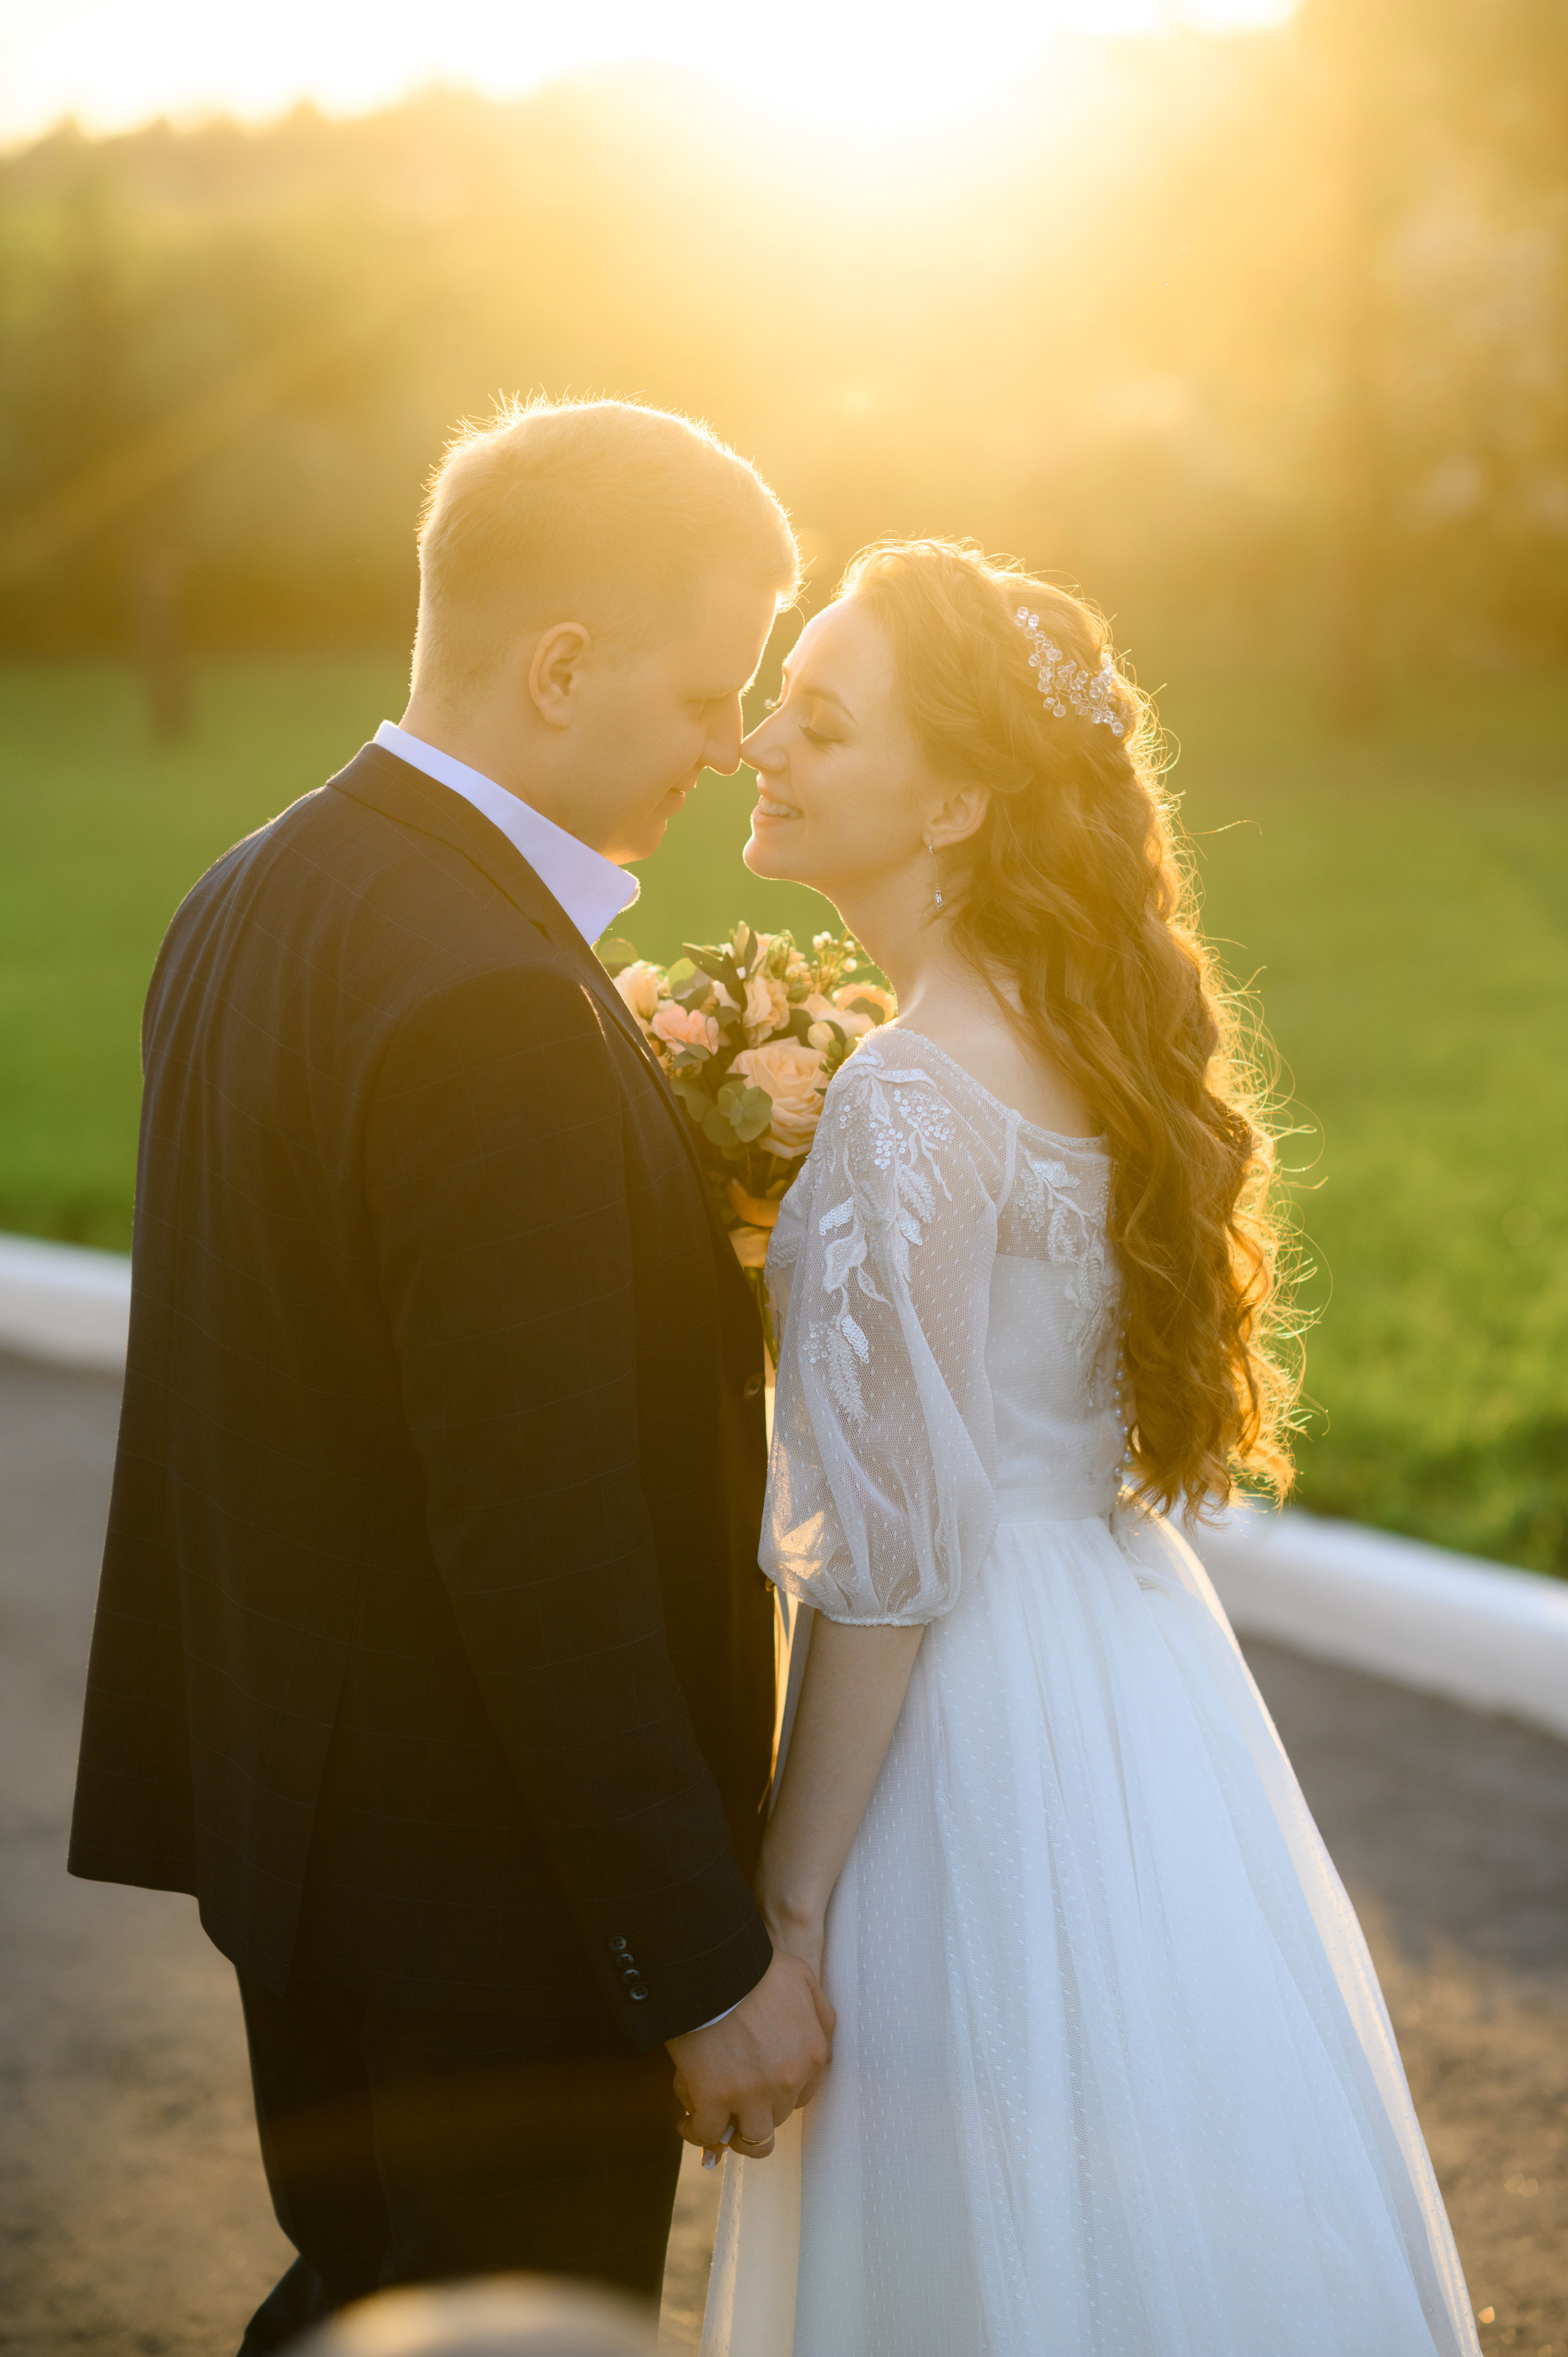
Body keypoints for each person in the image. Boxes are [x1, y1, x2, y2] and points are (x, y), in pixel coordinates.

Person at [66, 396, 832, 2353]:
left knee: (361, 2298)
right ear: (560, 666)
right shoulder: (492, 995)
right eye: (708, 686)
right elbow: (537, 1523)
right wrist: (692, 1956)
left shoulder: (251, 891)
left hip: (315, 1852)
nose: (731, 741)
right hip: (488, 1903)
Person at [701, 537, 1482, 2356]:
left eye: (818, 721)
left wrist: (792, 1909)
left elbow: (891, 1568)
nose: (760, 746)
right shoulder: (1082, 1039)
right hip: (1135, 1679)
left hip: (959, 1737)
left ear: (958, 799)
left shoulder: (908, 1092)